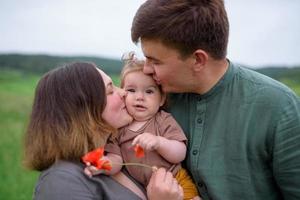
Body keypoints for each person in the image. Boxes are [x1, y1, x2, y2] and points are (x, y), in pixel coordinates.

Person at [130, 0, 300, 200]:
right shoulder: (156, 95)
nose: (147, 69)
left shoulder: (279, 108)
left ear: (198, 60)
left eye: (155, 61)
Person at [23, 62, 184, 200]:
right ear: (85, 109)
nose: (123, 93)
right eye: (110, 90)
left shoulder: (115, 155)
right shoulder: (62, 181)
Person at [89, 52, 198, 200]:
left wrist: (159, 142)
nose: (140, 97)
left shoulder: (162, 119)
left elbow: (180, 153)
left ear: (161, 99)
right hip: (147, 189)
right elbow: (117, 160)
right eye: (131, 90)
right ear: (122, 94)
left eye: (149, 91)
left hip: (176, 181)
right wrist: (103, 165)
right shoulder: (119, 129)